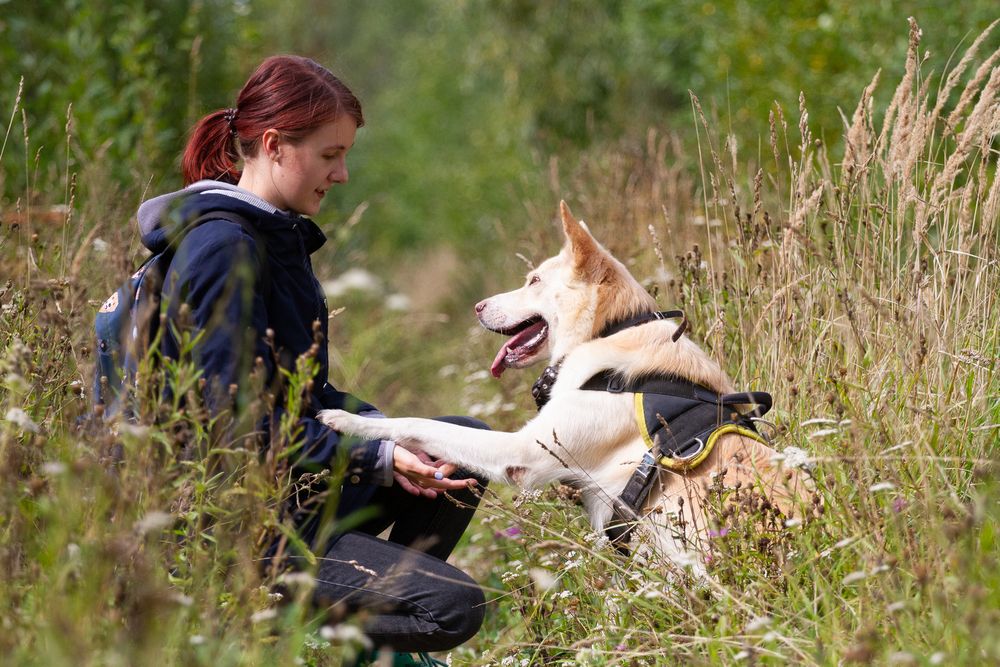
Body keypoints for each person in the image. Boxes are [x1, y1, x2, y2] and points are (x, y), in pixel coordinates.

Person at [134, 55, 487, 660]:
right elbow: (228, 423)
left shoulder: (272, 237)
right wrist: (371, 454)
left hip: (283, 489)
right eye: (330, 155)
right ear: (274, 145)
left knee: (461, 448)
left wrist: (388, 439)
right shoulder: (224, 247)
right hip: (229, 524)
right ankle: (283, 630)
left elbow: (299, 397)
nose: (343, 174)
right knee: (455, 606)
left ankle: (367, 625)